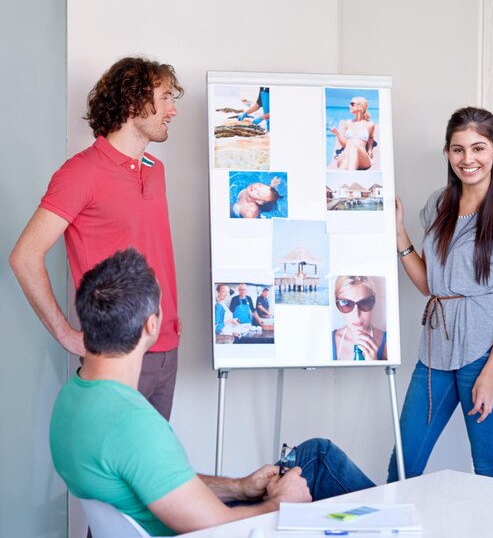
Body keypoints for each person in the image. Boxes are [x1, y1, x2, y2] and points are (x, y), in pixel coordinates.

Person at [49, 249, 375, 536]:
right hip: (211, 530)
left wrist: (240, 487)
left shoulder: (74, 398)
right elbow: (216, 526)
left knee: (314, 456)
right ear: (151, 325)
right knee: (319, 459)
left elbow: (160, 483)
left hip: (182, 519)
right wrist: (279, 504)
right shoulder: (133, 425)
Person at [9, 57, 183, 420]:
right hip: (116, 357)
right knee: (105, 474)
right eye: (165, 98)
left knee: (153, 476)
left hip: (167, 350)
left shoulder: (156, 170)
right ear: (134, 102)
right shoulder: (80, 173)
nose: (173, 110)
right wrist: (67, 335)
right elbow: (25, 255)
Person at [388, 107, 493, 482]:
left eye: (478, 148)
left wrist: (490, 373)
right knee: (404, 463)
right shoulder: (439, 204)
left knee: (487, 467)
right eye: (458, 149)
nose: (468, 159)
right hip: (435, 350)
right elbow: (430, 285)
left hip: (485, 352)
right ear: (448, 153)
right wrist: (401, 235)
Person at [332, 276, 387, 361]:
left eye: (364, 303)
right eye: (346, 304)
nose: (356, 314)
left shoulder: (389, 343)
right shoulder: (327, 342)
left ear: (373, 300)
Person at [330, 96, 376, 171]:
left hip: (362, 158)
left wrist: (370, 149)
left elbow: (371, 138)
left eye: (352, 104)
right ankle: (347, 178)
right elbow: (344, 144)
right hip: (345, 155)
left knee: (354, 147)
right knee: (348, 154)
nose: (349, 106)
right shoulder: (347, 123)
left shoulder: (370, 124)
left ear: (360, 106)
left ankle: (345, 178)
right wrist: (337, 133)